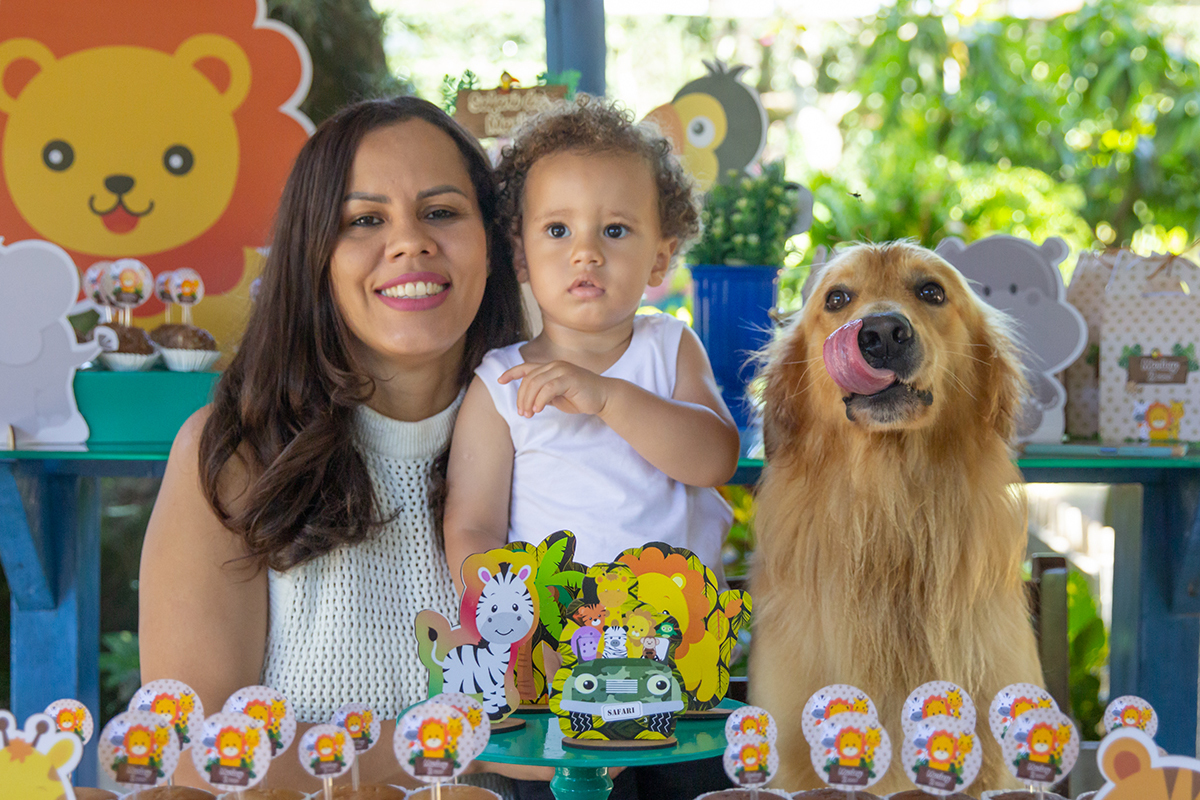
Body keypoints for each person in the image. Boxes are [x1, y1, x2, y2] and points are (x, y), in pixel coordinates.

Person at [138, 96, 529, 793]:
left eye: (441, 212)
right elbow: (191, 767)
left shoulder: (558, 443)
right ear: (312, 255)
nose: (410, 242)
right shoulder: (232, 457)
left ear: (497, 243)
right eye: (365, 220)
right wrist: (460, 745)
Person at [443, 97, 740, 800]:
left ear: (660, 256)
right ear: (519, 253)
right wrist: (505, 624)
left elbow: (713, 458)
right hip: (557, 672)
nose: (586, 251)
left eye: (615, 229)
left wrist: (607, 397)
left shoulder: (669, 349)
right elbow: (473, 524)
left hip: (681, 674)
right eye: (557, 229)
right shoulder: (499, 381)